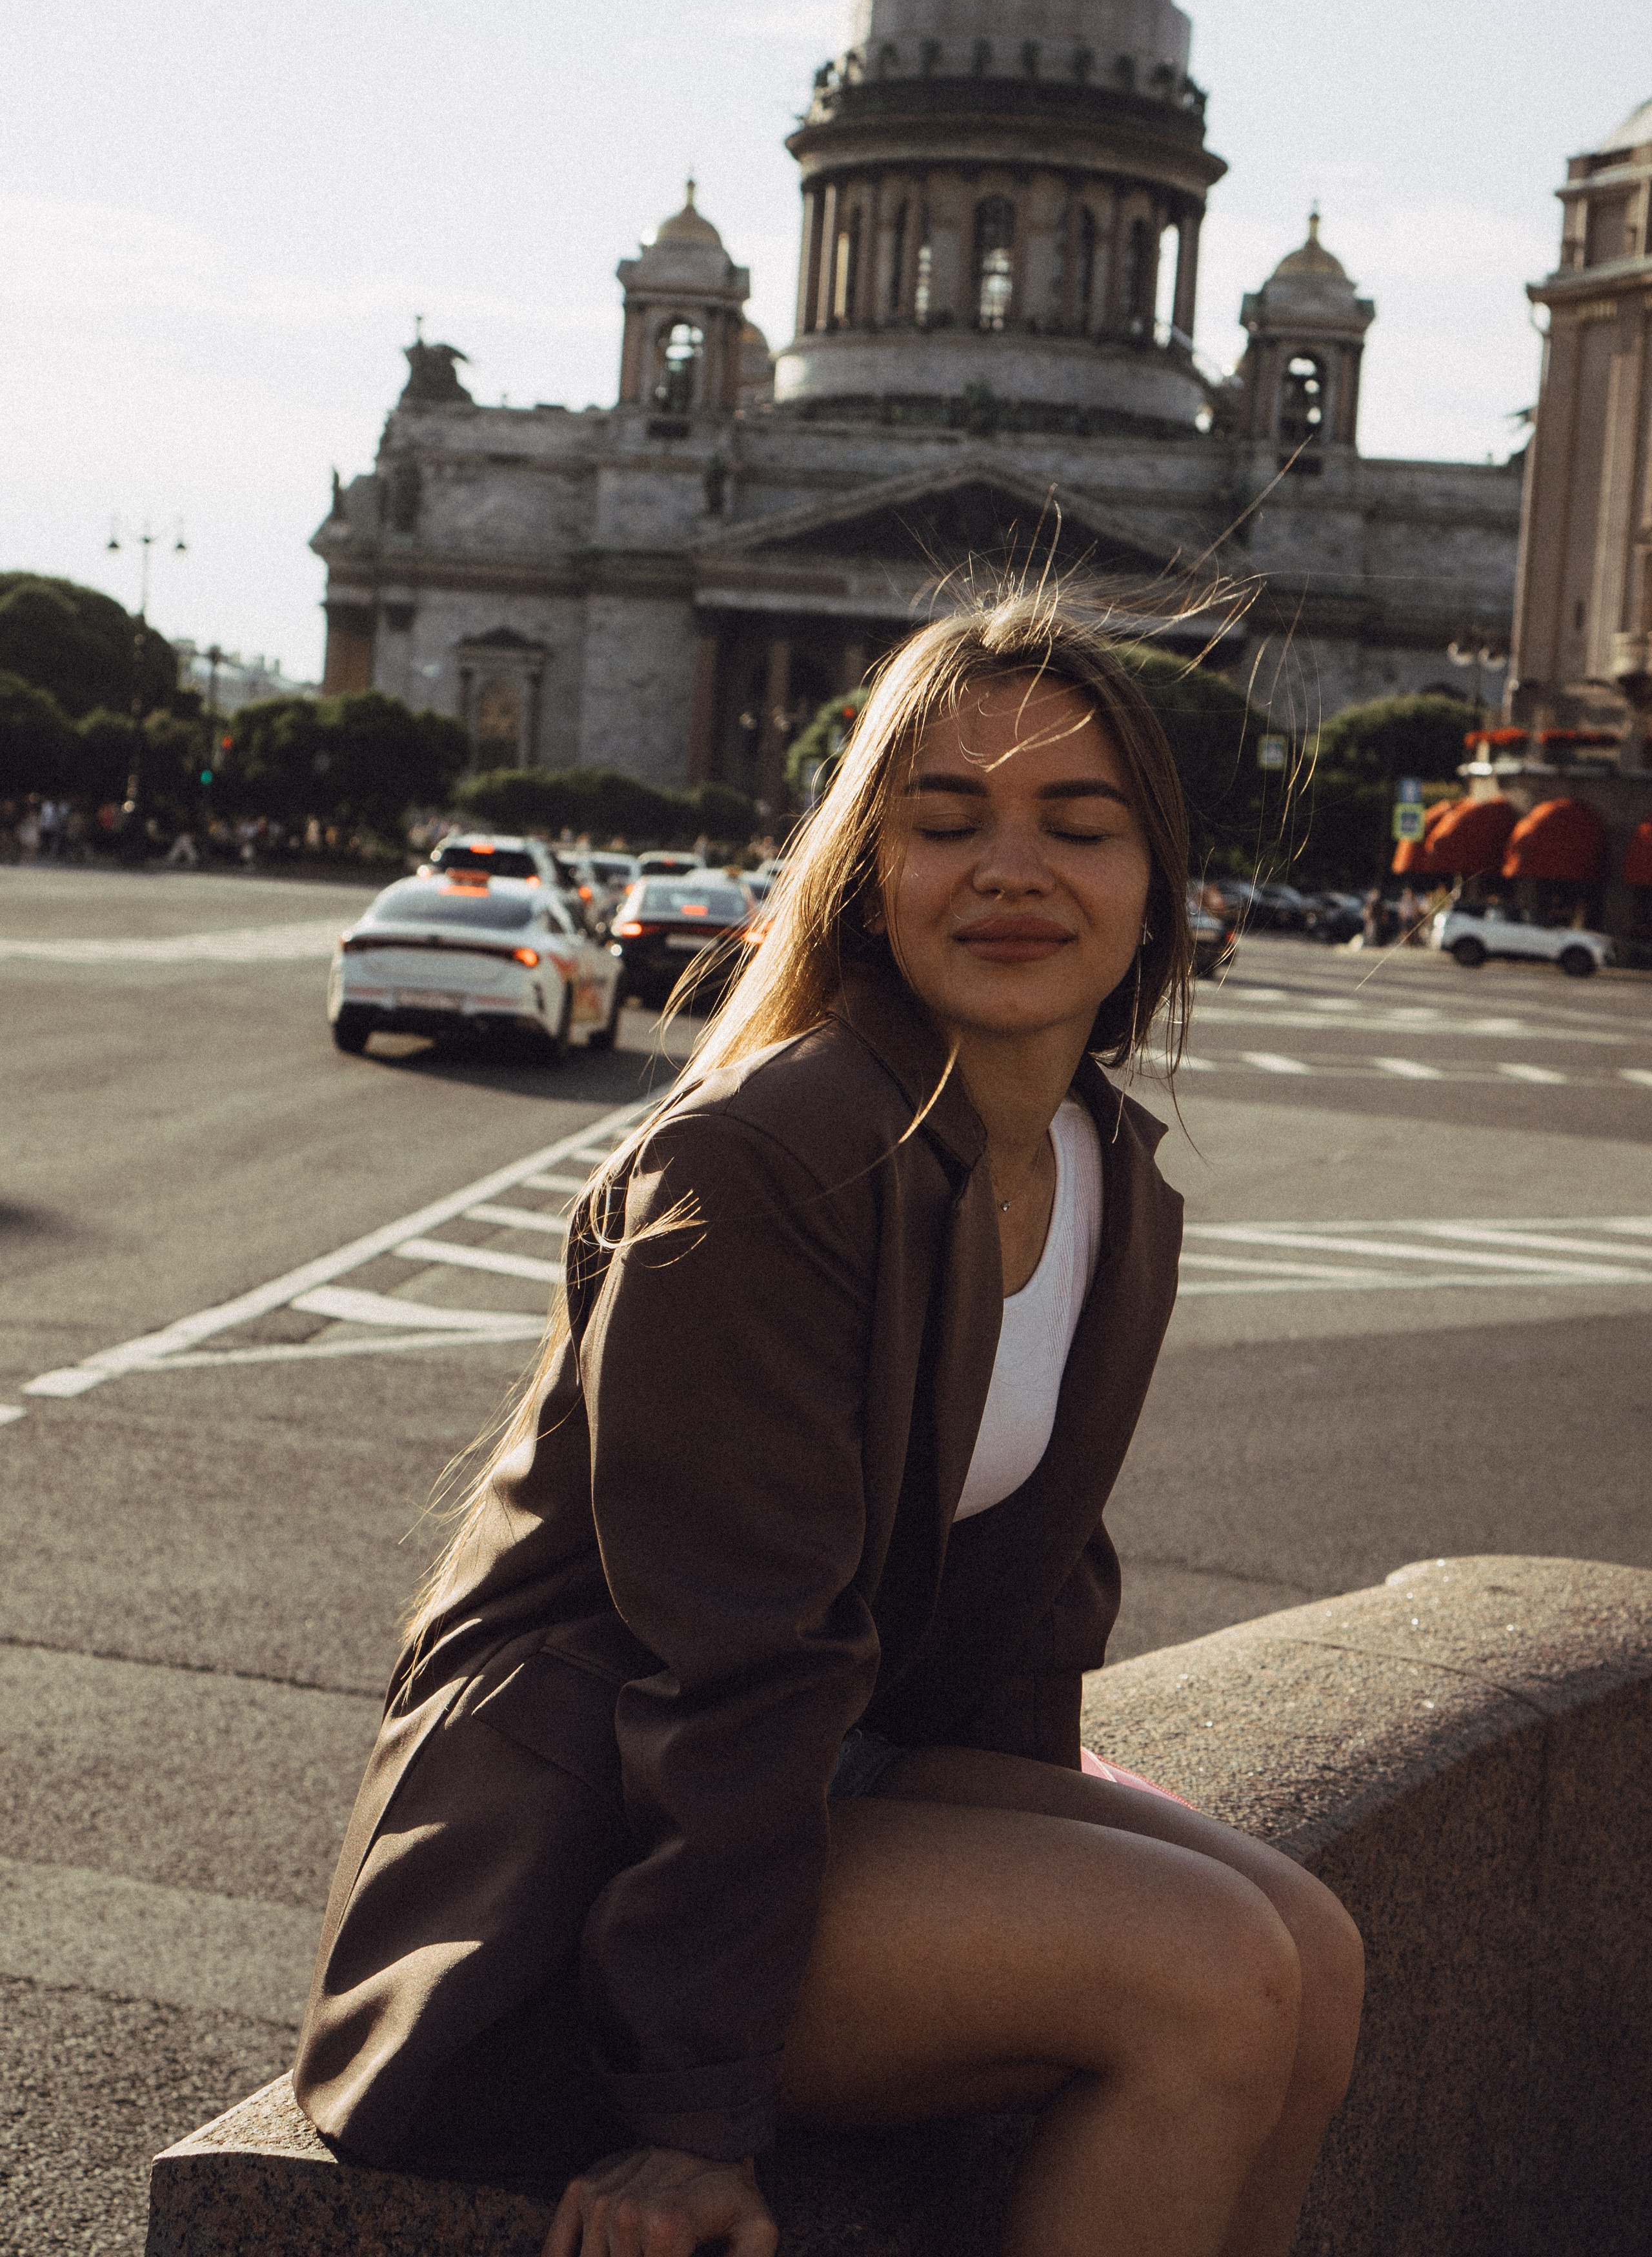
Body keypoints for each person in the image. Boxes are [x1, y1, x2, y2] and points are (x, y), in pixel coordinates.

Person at [294, 592, 1363, 2257]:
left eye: (1079, 826)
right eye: (946, 825)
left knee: (1312, 1945)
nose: (1012, 870)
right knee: (1208, 1973)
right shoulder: (766, 1157)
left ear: (1162, 889)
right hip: (578, 1866)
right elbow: (733, 1662)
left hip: (812, 1789)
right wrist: (693, 2120)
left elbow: (1021, 1613)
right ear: (867, 870)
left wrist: (1021, 1868)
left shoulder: (1105, 1167)